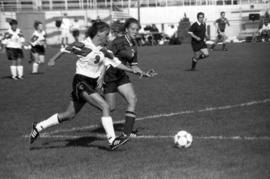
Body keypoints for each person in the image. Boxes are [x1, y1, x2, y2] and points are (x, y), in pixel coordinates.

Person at [29, 21, 146, 150]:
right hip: (80, 81)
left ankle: (39, 127)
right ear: (99, 33)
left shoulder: (103, 50)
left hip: (90, 84)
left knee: (69, 115)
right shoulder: (84, 45)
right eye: (106, 34)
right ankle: (112, 141)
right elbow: (65, 49)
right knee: (105, 106)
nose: (108, 37)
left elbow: (117, 64)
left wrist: (132, 70)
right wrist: (53, 60)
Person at [102, 18, 156, 139]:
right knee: (110, 107)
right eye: (133, 29)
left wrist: (145, 73)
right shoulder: (118, 42)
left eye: (137, 29)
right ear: (126, 29)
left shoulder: (134, 45)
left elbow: (134, 65)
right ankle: (93, 97)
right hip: (109, 76)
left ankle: (127, 132)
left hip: (121, 75)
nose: (135, 31)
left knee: (132, 99)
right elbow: (105, 58)